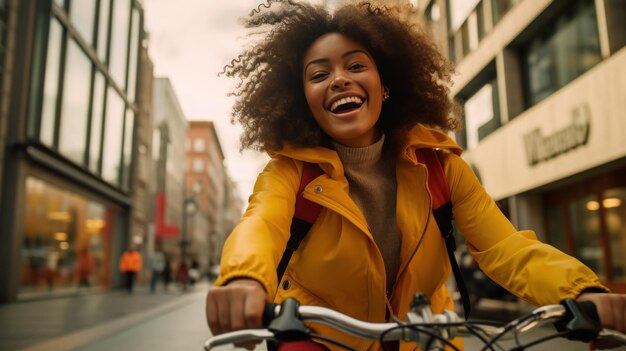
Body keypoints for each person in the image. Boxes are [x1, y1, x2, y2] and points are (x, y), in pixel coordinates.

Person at [205, 2, 626, 350]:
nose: (338, 79)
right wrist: (244, 280)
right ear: (304, 102)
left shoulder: (441, 166)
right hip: (316, 338)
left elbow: (505, 248)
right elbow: (260, 225)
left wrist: (581, 292)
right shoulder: (288, 173)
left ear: (385, 85)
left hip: (427, 336)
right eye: (319, 74)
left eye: (356, 65)